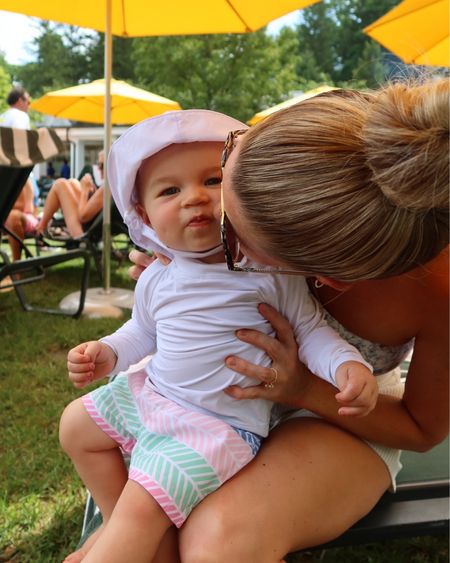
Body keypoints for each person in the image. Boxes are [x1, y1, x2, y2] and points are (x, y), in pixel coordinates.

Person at [127, 79, 449, 562]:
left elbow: (423, 430)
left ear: (323, 281)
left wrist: (303, 389)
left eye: (230, 243)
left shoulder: (438, 289)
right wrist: (182, 273)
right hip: (211, 403)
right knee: (148, 535)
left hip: (344, 419)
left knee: (218, 545)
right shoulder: (310, 153)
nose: (208, 225)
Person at [59, 110, 378, 563]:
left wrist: (347, 365)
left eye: (212, 180)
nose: (194, 198)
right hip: (156, 396)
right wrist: (108, 353)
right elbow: (142, 331)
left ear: (244, 191)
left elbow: (309, 330)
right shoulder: (159, 277)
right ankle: (132, 535)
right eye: (170, 190)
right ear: (144, 215)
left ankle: (122, 539)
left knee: (140, 510)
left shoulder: (267, 272)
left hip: (214, 428)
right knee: (75, 426)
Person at [1, 86, 37, 264]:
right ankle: (16, 265)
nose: (29, 105)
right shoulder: (20, 117)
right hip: (17, 179)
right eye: (28, 101)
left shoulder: (3, 118)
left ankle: (16, 266)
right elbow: (22, 148)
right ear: (19, 101)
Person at [36, 152, 105, 238]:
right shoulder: (113, 185)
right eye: (98, 164)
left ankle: (41, 227)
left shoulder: (107, 187)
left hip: (82, 232)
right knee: (73, 182)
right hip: (93, 224)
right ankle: (42, 225)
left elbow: (83, 216)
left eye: (101, 165)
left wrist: (85, 191)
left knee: (60, 184)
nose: (98, 168)